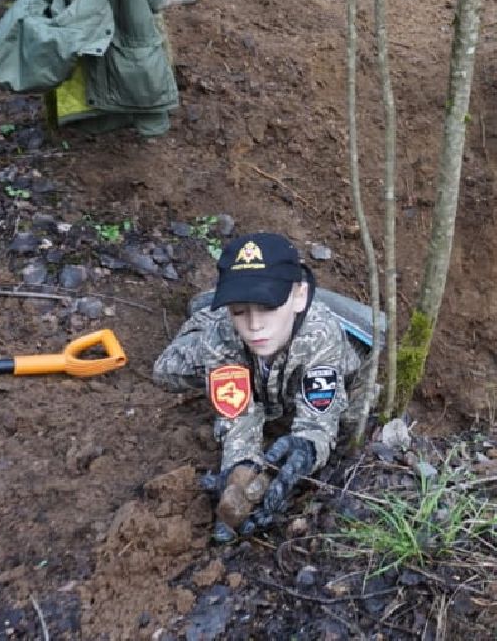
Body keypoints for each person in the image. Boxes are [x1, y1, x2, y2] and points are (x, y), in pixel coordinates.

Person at [153, 232, 371, 543]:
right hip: (223, 345)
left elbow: (318, 422)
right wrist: (239, 471)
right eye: (240, 310)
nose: (255, 325)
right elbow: (236, 414)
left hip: (326, 357)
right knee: (167, 370)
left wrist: (303, 453)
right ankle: (204, 311)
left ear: (298, 296)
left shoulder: (321, 334)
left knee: (354, 417)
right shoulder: (222, 331)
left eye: (268, 307)